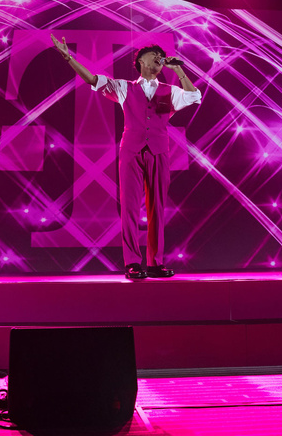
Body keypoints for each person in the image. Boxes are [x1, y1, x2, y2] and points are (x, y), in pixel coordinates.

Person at [51, 34, 201, 280]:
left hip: (159, 151)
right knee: (130, 207)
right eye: (153, 56)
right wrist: (67, 56)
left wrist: (178, 71)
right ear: (140, 61)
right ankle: (133, 262)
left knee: (157, 208)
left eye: (161, 58)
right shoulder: (124, 87)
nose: (158, 59)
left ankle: (155, 263)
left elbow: (194, 96)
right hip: (131, 151)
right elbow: (92, 79)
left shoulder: (171, 90)